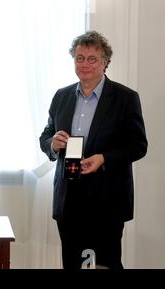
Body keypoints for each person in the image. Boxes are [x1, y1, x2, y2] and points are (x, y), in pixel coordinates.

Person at [39, 31, 147, 269]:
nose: (84, 64)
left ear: (105, 63)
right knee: (73, 264)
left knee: (103, 264)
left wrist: (103, 158)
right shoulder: (62, 96)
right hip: (69, 200)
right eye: (79, 58)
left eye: (92, 59)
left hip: (107, 201)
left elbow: (138, 146)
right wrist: (53, 145)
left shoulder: (125, 98)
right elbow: (46, 137)